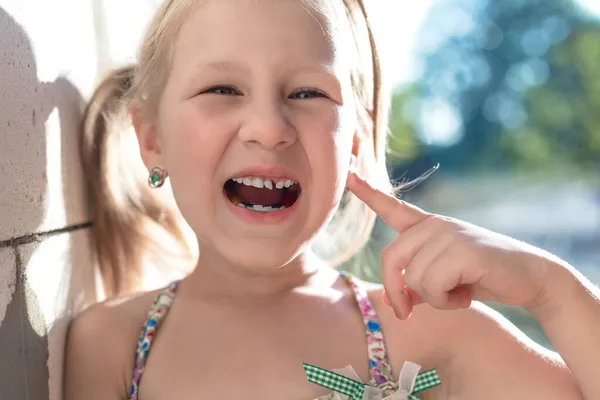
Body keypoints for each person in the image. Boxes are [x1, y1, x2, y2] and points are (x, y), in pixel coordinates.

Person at [64, 0, 600, 399]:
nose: (269, 128)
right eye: (222, 90)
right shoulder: (112, 344)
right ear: (151, 137)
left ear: (355, 145)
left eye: (307, 93)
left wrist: (551, 290)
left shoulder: (426, 329)